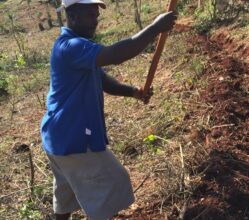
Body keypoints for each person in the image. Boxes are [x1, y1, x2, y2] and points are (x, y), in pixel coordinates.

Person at [40, 0, 177, 219]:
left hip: (56, 137)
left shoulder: (79, 48)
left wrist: (134, 92)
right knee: (113, 182)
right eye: (89, 15)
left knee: (65, 193)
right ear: (73, 16)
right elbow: (115, 55)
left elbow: (103, 80)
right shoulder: (71, 46)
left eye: (96, 15)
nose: (95, 21)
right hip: (72, 136)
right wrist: (154, 28)